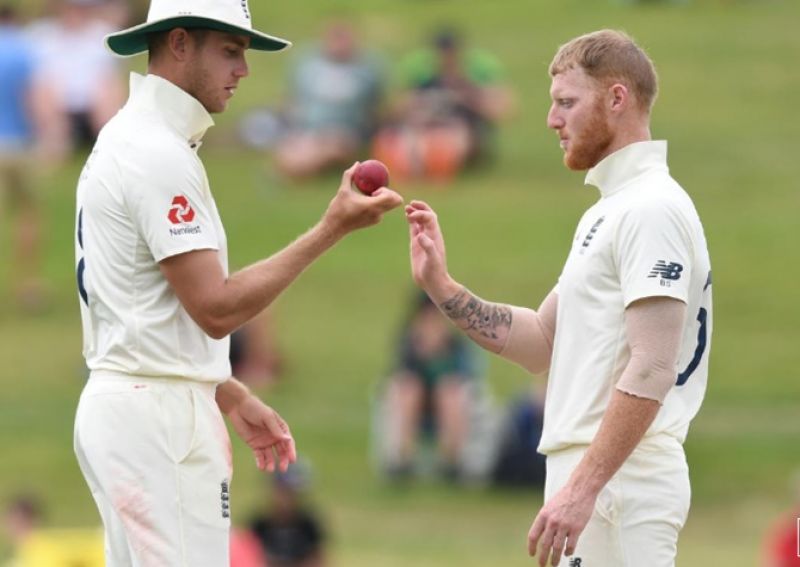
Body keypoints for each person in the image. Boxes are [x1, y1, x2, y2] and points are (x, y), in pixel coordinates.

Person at [72, 1, 404, 565]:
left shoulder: (131, 138)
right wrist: (332, 228)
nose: (244, 71)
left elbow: (136, 306)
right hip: (160, 421)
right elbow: (216, 308)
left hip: (135, 405)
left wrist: (222, 388)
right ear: (178, 44)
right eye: (230, 52)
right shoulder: (156, 152)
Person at [405, 29, 712, 566]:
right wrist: (442, 286)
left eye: (567, 103)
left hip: (621, 482)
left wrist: (584, 488)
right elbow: (543, 341)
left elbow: (653, 366)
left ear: (617, 99)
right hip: (600, 477)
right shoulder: (610, 210)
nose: (552, 120)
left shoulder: (650, 208)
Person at [373, 27, 514, 182]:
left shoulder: (475, 74)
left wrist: (469, 96)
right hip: (426, 126)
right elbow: (392, 110)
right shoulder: (422, 76)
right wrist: (415, 102)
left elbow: (503, 110)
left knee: (448, 140)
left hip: (462, 129)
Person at [379, 291, 485, 482]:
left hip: (448, 401)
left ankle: (451, 461)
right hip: (417, 402)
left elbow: (466, 376)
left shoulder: (456, 345)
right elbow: (401, 373)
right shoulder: (409, 344)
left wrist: (440, 356)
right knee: (408, 389)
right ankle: (402, 458)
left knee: (449, 390)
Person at [273, 20, 385, 178]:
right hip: (308, 131)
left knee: (331, 147)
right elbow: (291, 100)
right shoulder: (307, 65)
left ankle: (304, 168)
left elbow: (377, 107)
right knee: (293, 148)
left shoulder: (367, 69)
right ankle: (300, 166)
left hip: (345, 134)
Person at [0, 4, 55, 311]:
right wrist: (49, 134)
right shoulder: (23, 50)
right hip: (18, 145)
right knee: (28, 214)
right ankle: (26, 284)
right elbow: (35, 97)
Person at [27, 0, 125, 152]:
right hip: (57, 102)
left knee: (108, 88)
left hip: (94, 100)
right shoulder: (40, 35)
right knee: (42, 90)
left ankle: (112, 143)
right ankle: (54, 142)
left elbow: (110, 76)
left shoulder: (104, 34)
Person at [249, 460, 327, 567]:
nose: (287, 498)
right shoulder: (260, 525)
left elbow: (318, 559)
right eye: (283, 491)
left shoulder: (308, 525)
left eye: (291, 492)